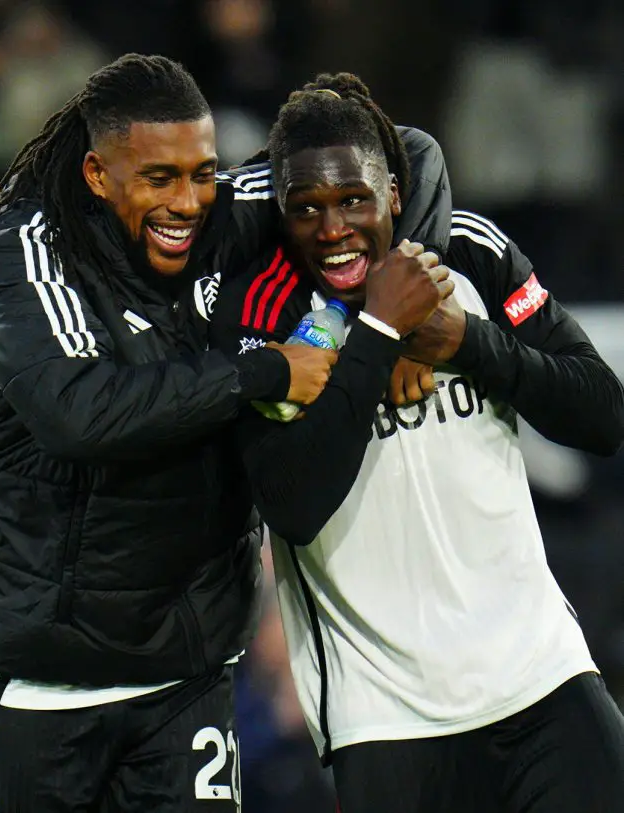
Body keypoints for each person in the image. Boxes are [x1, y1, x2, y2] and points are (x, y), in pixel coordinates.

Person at [0, 54, 452, 810]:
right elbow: (76, 411)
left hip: (188, 672)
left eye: (202, 172)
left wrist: (403, 322)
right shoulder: (23, 251)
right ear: (98, 174)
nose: (188, 202)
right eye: (159, 179)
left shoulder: (226, 212)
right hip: (48, 679)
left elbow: (408, 155)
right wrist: (262, 371)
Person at [210, 72, 624, 813]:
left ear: (394, 195)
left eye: (354, 200)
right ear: (281, 213)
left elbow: (602, 415)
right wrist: (378, 334)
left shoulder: (470, 253)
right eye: (306, 208)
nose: (333, 228)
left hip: (543, 675)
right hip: (388, 718)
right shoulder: (262, 312)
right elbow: (293, 506)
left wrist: (469, 344)